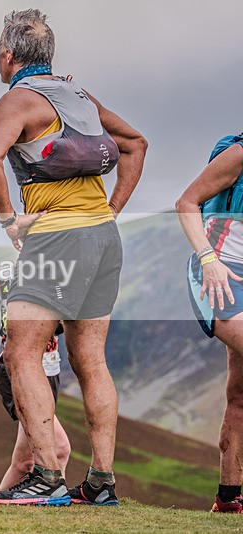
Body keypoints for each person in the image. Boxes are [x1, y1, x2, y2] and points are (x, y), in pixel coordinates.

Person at [0, 9, 146, 505]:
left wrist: (10, 222)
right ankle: (101, 483)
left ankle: (46, 477)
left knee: (20, 351)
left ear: (7, 55)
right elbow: (135, 144)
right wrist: (111, 209)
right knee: (91, 359)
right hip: (102, 238)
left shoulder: (18, 101)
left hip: (57, 237)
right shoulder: (79, 96)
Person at [177, 133, 243, 513]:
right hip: (219, 275)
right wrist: (207, 259)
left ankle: (229, 498)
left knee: (239, 395)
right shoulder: (238, 154)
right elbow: (186, 202)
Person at [0, 268, 70, 490]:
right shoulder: (5, 276)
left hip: (50, 372)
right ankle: (54, 499)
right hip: (16, 371)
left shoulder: (59, 274)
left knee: (24, 462)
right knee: (59, 448)